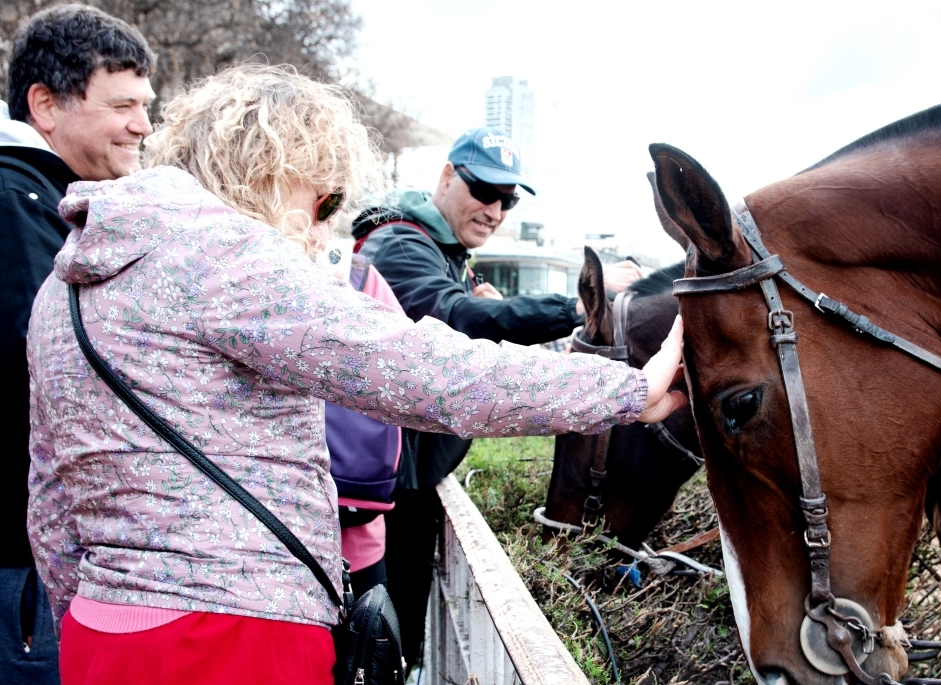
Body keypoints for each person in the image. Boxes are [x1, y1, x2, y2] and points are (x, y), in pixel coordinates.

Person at [25, 63, 686, 685]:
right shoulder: (227, 258)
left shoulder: (64, 284)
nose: (324, 231)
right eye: (326, 200)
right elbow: (423, 372)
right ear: (272, 173)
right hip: (239, 634)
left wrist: (88, 626)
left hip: (100, 627)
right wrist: (630, 388)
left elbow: (50, 501)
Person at [350, 128, 645, 663]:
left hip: (409, 482)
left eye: (507, 199)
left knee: (402, 643)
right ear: (446, 177)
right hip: (388, 492)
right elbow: (458, 318)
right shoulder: (400, 244)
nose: (495, 209)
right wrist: (581, 308)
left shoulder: (445, 253)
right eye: (484, 190)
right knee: (380, 646)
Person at [1, 6, 154, 683]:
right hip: (20, 572)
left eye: (145, 105)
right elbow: (41, 375)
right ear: (45, 105)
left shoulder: (46, 202)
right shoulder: (14, 205)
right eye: (122, 104)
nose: (142, 125)